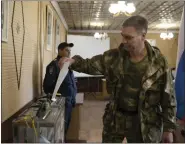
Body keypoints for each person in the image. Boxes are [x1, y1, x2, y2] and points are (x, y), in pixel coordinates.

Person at [58, 16, 177, 143]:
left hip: (145, 123)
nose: (123, 41)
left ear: (143, 36)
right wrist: (73, 62)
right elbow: (90, 64)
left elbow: (168, 96)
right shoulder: (114, 57)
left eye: (129, 37)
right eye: (123, 36)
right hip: (115, 118)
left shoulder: (159, 62)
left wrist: (168, 128)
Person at [43, 42, 77, 137]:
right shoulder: (54, 66)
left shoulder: (67, 64)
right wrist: (57, 99)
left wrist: (73, 98)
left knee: (65, 127)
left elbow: (71, 83)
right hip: (61, 104)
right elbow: (47, 87)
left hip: (69, 101)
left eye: (70, 51)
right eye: (67, 50)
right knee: (60, 129)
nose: (69, 53)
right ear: (60, 50)